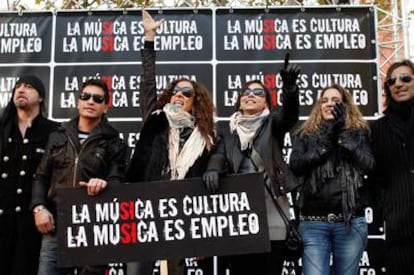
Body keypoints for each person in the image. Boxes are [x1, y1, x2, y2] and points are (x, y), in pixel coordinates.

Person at [125, 10, 216, 275]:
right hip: (145, 207)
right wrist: (149, 38)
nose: (179, 95)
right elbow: (147, 82)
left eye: (186, 92)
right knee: (136, 270)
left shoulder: (207, 137)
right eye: (175, 90)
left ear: (194, 100)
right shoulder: (155, 119)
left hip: (181, 213)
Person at [202, 57, 301, 275]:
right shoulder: (227, 132)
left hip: (272, 210)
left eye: (258, 93)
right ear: (239, 101)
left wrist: (290, 88)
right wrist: (212, 169)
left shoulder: (273, 124)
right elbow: (219, 155)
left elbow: (290, 115)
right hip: (240, 216)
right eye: (246, 92)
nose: (250, 95)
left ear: (266, 103)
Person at [30, 78, 127, 275]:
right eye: (85, 96)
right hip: (56, 226)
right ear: (78, 102)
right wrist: (38, 208)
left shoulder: (115, 142)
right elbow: (41, 176)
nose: (90, 101)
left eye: (98, 99)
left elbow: (118, 181)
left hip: (93, 229)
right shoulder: (58, 136)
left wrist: (105, 184)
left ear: (106, 107)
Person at [290, 84, 375, 275]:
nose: (329, 104)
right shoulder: (304, 134)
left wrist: (343, 136)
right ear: (318, 106)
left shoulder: (359, 132)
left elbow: (369, 164)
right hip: (313, 224)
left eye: (335, 100)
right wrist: (328, 141)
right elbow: (295, 167)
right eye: (324, 100)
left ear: (345, 105)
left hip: (350, 224)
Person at [0, 75, 59, 275]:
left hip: (33, 225)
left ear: (41, 97)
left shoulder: (54, 131)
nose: (21, 90)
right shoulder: (2, 127)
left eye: (28, 87)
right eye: (17, 87)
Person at [370, 59, 414, 274]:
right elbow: (375, 180)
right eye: (392, 81)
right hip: (399, 230)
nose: (399, 84)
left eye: (406, 78)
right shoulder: (378, 129)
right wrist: (387, 210)